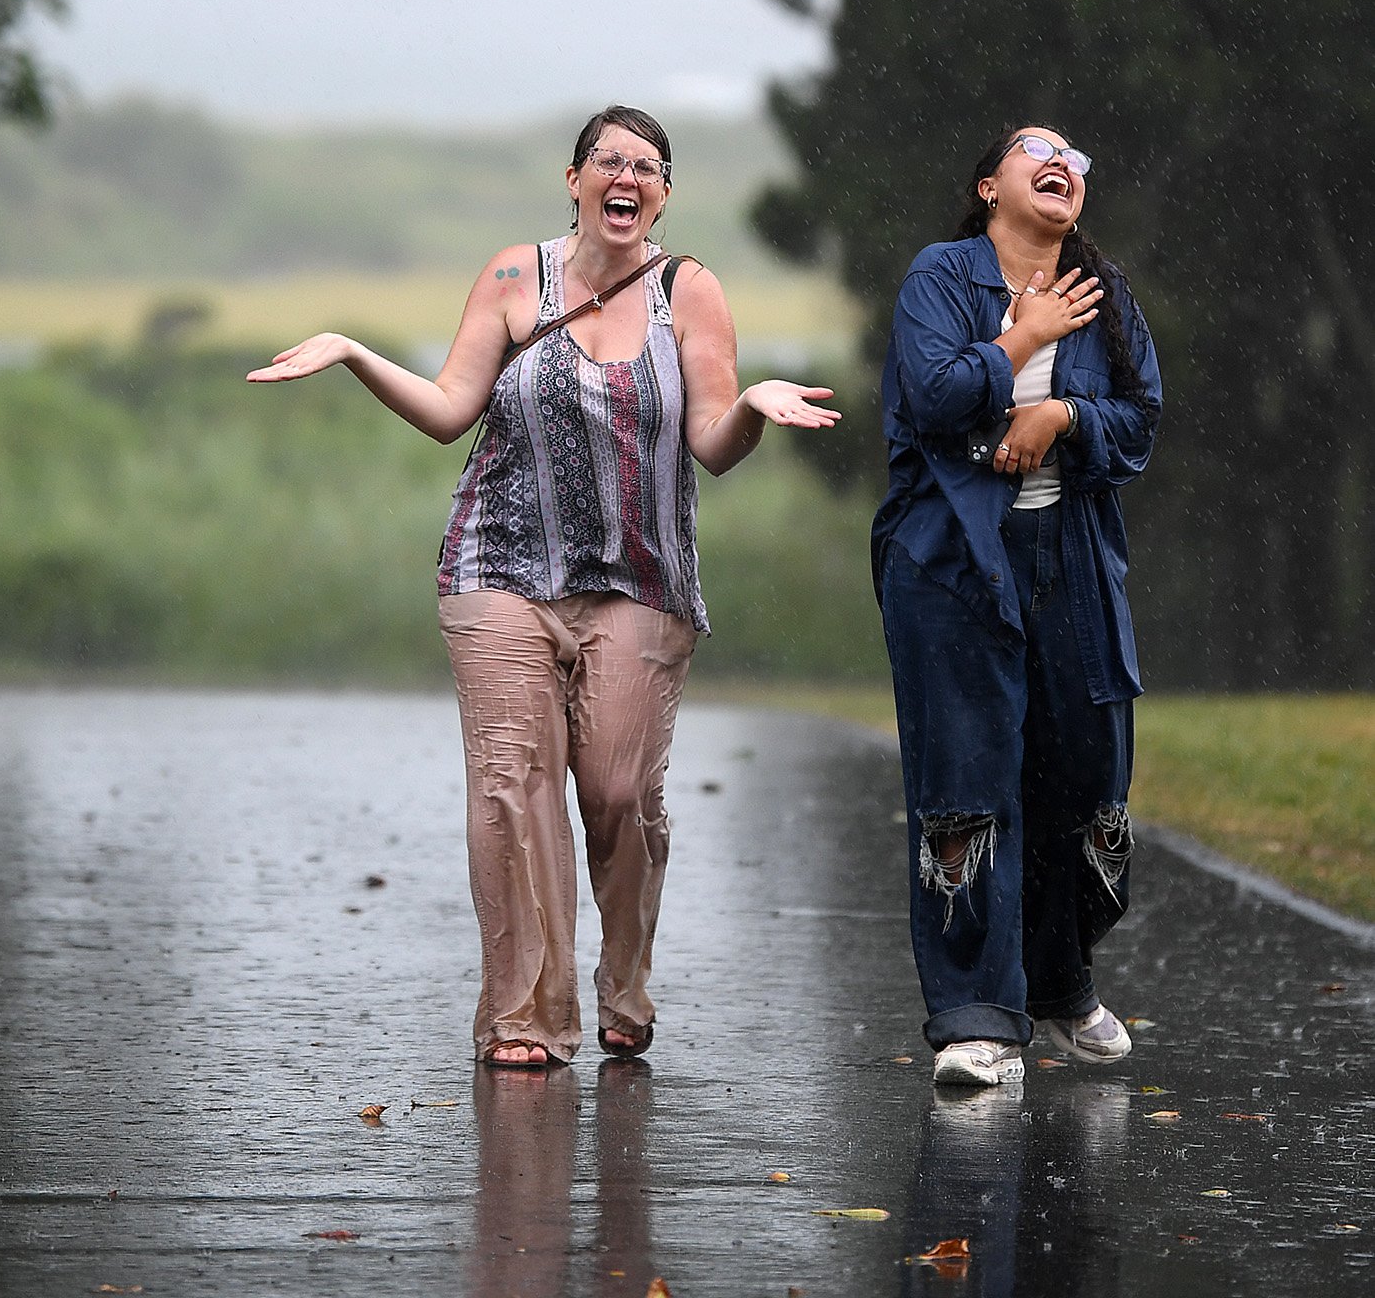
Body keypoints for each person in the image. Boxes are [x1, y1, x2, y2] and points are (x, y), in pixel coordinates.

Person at [248, 104, 838, 1069]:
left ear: (664, 195)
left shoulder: (689, 292)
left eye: (649, 168)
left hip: (639, 577)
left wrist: (758, 410)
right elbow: (449, 412)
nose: (629, 178)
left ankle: (625, 981)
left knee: (614, 790)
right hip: (500, 565)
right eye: (610, 161)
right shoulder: (513, 275)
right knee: (513, 784)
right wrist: (355, 354)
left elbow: (711, 443)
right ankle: (527, 1017)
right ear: (575, 180)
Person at [872, 125, 1161, 1089]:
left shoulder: (1102, 290)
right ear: (989, 186)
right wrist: (1023, 341)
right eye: (1036, 151)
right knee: (968, 782)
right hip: (953, 556)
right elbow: (934, 395)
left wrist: (1062, 416)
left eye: (1076, 159)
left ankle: (1060, 983)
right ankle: (976, 1020)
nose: (1063, 163)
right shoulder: (942, 277)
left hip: (1070, 554)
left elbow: (1139, 419)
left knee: (1087, 775)